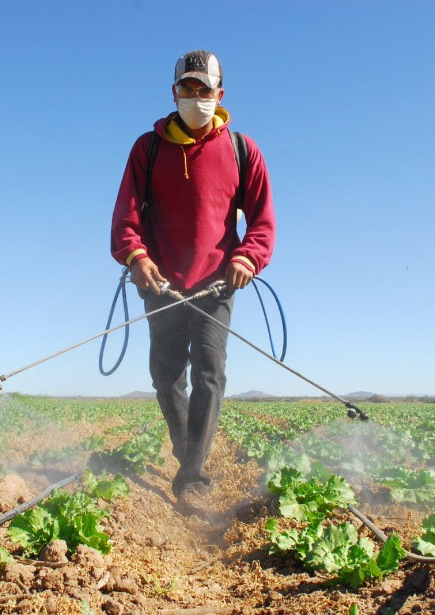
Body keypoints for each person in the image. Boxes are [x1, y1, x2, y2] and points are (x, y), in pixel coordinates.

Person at [110, 50, 275, 509]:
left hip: (218, 284)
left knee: (209, 372)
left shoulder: (243, 150)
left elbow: (262, 221)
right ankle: (187, 453)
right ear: (174, 92)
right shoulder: (149, 148)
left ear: (219, 95)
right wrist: (136, 257)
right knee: (165, 376)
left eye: (205, 90)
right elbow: (125, 216)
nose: (196, 97)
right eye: (188, 88)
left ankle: (192, 477)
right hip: (160, 282)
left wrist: (248, 258)